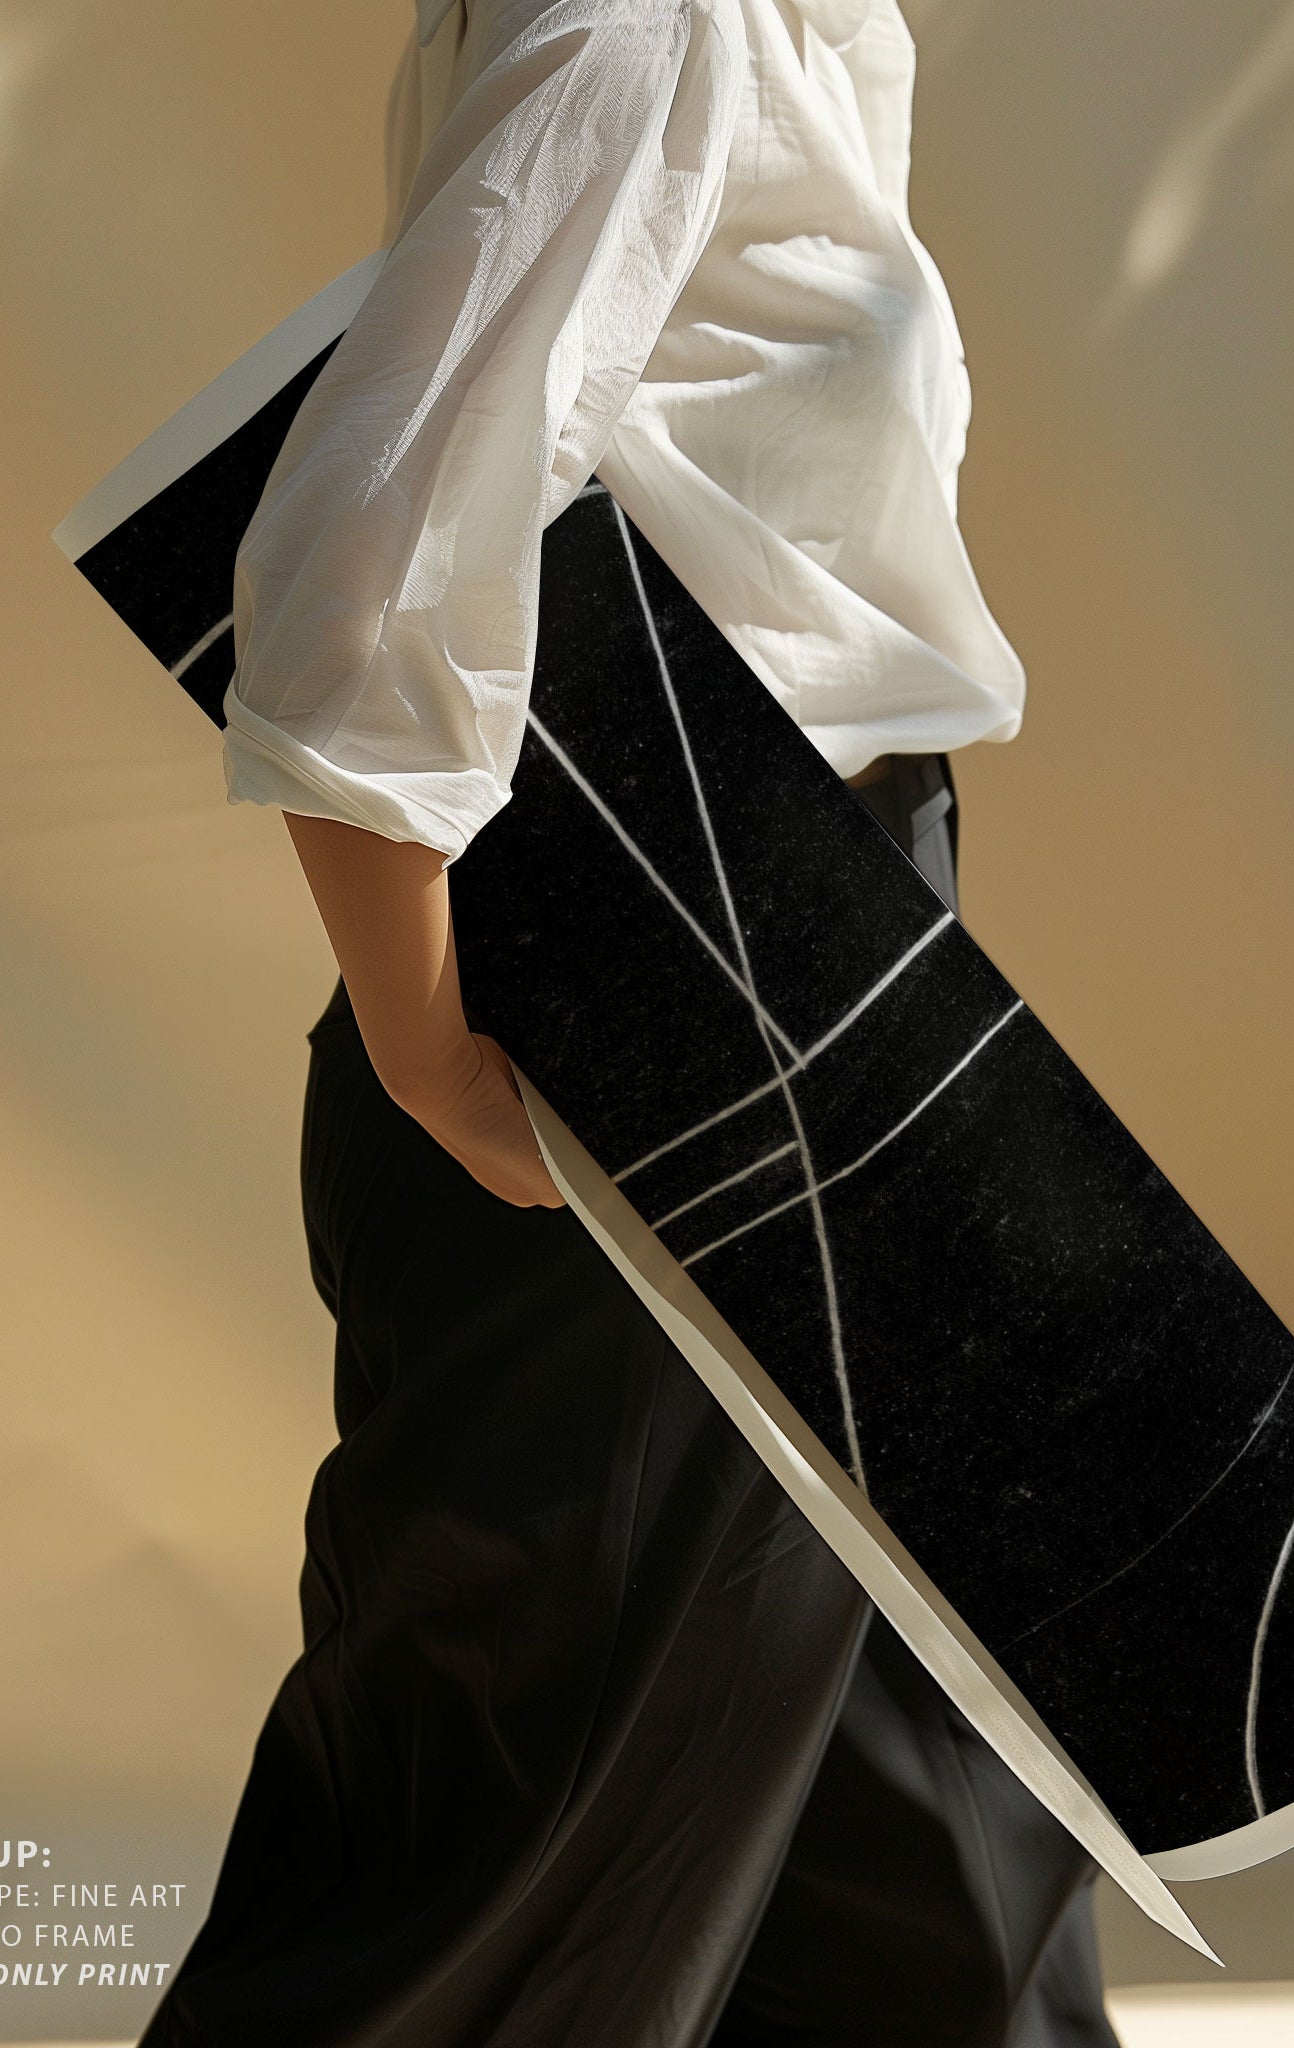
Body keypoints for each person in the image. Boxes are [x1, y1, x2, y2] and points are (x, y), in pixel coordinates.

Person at [137, 2, 1122, 2042]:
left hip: (837, 930)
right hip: (663, 965)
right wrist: (427, 1047)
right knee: (495, 1861)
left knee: (939, 1828)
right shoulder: (647, 17)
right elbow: (370, 542)